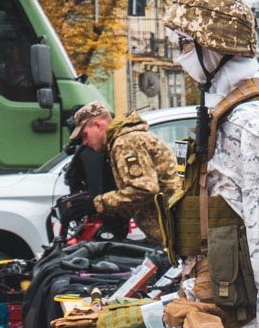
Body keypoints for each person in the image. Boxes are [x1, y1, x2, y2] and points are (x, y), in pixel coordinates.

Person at [159, 0, 259, 328]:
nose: (182, 56)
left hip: (238, 304)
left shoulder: (252, 123)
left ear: (213, 47)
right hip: (215, 286)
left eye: (186, 44)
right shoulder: (227, 112)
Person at [69, 102, 181, 244]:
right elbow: (139, 199)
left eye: (85, 135)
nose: (84, 142)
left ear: (97, 125)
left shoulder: (125, 142)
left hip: (172, 237)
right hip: (168, 233)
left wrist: (96, 203)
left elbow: (144, 189)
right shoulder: (125, 140)